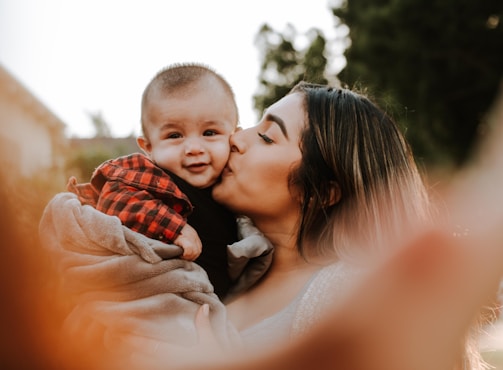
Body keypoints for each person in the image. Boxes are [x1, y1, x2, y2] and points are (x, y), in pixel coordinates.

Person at [39, 81, 499, 369]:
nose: (234, 141)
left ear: (322, 189)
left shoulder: (339, 293)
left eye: (265, 135)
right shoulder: (232, 265)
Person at [67, 62, 240, 299]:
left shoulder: (236, 184)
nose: (193, 148)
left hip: (215, 307)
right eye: (174, 136)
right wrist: (174, 228)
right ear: (149, 148)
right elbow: (116, 198)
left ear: (235, 137)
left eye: (209, 133)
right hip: (155, 299)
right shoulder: (151, 176)